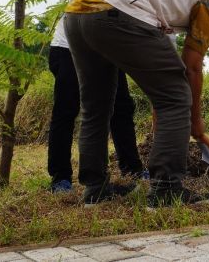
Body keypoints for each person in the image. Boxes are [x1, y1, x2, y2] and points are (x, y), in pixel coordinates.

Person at [64, 0, 209, 207]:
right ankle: (166, 189)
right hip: (119, 11)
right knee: (176, 97)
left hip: (76, 13)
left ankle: (95, 188)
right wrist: (195, 119)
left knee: (95, 106)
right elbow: (192, 67)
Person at [47, 16, 144, 193]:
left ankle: (132, 168)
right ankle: (60, 178)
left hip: (107, 49)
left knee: (121, 108)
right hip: (68, 47)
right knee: (66, 111)